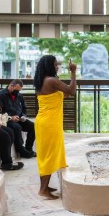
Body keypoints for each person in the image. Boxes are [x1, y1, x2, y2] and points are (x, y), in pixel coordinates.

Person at [33, 55, 77, 200]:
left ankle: (44, 186)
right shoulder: (51, 80)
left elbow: (62, 95)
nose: (57, 67)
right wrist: (73, 72)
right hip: (49, 124)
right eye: (55, 65)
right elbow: (72, 90)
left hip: (44, 122)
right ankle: (43, 189)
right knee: (49, 155)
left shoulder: (42, 81)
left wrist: (63, 93)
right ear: (49, 66)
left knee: (46, 154)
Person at [0, 79, 36, 159]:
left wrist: (23, 116)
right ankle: (21, 150)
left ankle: (28, 149)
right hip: (7, 120)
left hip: (19, 119)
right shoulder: (0, 95)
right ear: (11, 85)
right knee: (17, 127)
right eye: (16, 90)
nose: (17, 92)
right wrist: (10, 117)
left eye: (19, 90)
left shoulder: (19, 96)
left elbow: (24, 108)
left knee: (33, 126)